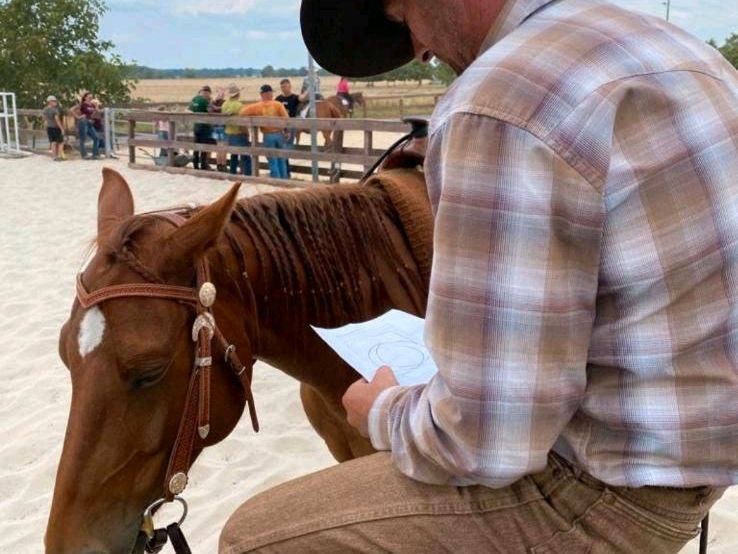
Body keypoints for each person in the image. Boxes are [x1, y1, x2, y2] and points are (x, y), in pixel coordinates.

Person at [220, 1, 738, 553]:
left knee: (256, 536)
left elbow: (485, 442)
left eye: (401, 22)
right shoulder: (674, 49)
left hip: (609, 490)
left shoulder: (499, 101)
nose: (419, 47)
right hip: (700, 458)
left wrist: (383, 412)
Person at [240, 84, 289, 179]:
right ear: (269, 93)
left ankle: (276, 179)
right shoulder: (278, 104)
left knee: (272, 159)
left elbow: (242, 113)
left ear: (262, 94)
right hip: (279, 134)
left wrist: (255, 118)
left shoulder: (256, 106)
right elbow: (286, 119)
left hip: (267, 135)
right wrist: (286, 131)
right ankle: (284, 178)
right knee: (281, 158)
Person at [221, 83, 252, 176]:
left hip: (228, 132)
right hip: (239, 132)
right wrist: (246, 132)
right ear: (238, 94)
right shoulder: (239, 105)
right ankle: (248, 174)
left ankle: (232, 172)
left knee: (233, 155)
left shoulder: (224, 104)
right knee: (245, 155)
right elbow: (242, 122)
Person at [276, 78, 301, 176]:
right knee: (281, 148)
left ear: (290, 86)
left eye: (285, 86)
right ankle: (285, 171)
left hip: (291, 126)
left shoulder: (294, 97)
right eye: (282, 87)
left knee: (286, 148)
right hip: (281, 126)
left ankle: (286, 171)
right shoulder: (278, 99)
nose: (284, 88)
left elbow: (302, 98)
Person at [189, 85, 215, 170]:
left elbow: (190, 110)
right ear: (207, 92)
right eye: (209, 93)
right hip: (204, 126)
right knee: (204, 147)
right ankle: (203, 165)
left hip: (196, 125)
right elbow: (210, 111)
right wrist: (211, 102)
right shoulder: (205, 101)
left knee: (196, 146)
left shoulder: (194, 99)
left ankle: (195, 164)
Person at [77, 91, 100, 159]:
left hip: (89, 122)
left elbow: (97, 112)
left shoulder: (92, 105)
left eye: (91, 97)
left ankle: (95, 154)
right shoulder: (82, 104)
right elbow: (72, 110)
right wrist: (78, 117)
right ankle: (84, 155)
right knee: (83, 138)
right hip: (83, 122)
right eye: (89, 97)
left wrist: (96, 106)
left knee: (96, 137)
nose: (90, 98)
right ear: (85, 97)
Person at [42, 96, 65, 161]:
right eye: (54, 101)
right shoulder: (55, 110)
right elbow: (57, 120)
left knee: (53, 142)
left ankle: (54, 156)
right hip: (56, 127)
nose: (55, 102)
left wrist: (45, 126)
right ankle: (60, 156)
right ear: (50, 102)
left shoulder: (45, 109)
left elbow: (44, 119)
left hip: (49, 127)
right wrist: (62, 128)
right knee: (61, 142)